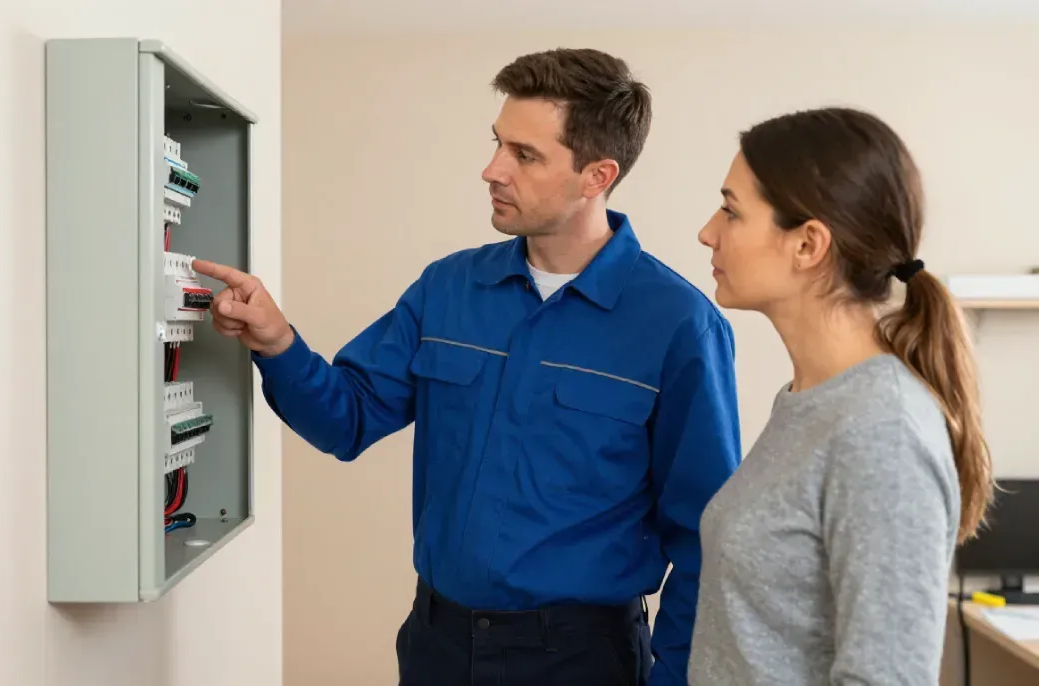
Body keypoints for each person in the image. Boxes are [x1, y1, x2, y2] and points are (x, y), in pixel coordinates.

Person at [194, 48, 742, 686]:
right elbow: (345, 419)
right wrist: (277, 341)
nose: (492, 170)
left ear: (597, 175)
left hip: (583, 660)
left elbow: (707, 537)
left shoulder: (678, 325)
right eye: (497, 144)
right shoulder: (448, 289)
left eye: (525, 155)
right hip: (438, 646)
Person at [690, 107, 994, 685]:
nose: (709, 231)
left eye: (732, 210)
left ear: (808, 244)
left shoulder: (882, 428)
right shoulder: (811, 400)